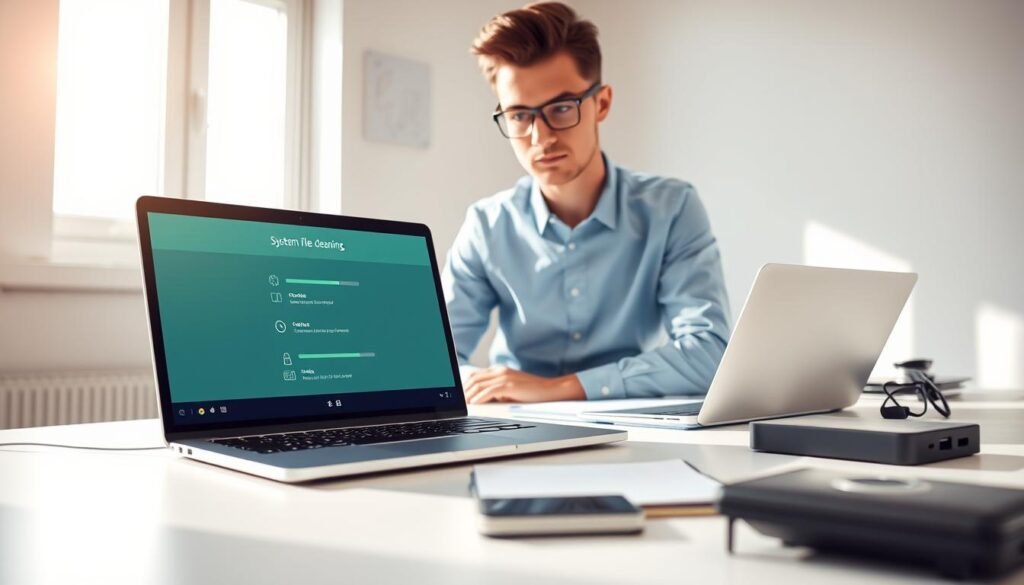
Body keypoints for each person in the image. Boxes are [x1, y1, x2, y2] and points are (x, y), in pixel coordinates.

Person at [442, 2, 731, 404]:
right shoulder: (487, 225)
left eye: (561, 108)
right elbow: (431, 363)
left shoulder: (672, 208)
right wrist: (487, 384)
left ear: (602, 103)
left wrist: (558, 389)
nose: (541, 138)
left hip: (632, 426)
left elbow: (709, 354)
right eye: (520, 116)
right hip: (515, 427)